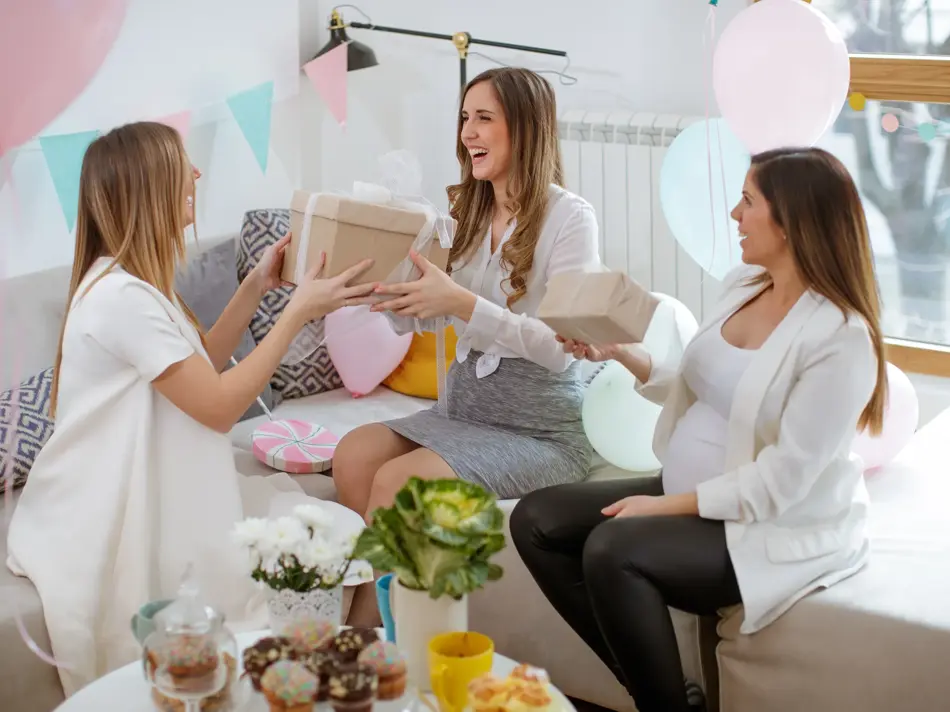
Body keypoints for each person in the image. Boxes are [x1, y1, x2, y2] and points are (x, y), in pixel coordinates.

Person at [5, 122, 379, 695]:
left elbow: (198, 361)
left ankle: (329, 685)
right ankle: (327, 687)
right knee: (315, 544)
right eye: (185, 165)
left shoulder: (132, 285)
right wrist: (298, 312)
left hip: (149, 485)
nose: (197, 175)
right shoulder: (121, 298)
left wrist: (256, 286)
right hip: (106, 507)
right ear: (151, 186)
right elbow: (220, 407)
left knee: (320, 535)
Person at [509, 147, 887, 712]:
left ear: (791, 222)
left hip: (762, 525)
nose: (735, 215)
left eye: (748, 201)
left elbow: (778, 484)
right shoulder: (745, 285)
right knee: (536, 518)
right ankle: (661, 691)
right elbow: (698, 384)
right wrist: (619, 353)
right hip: (690, 494)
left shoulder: (840, 339)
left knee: (612, 548)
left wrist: (661, 506)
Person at [331, 67, 601, 623]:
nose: (466, 134)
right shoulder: (467, 213)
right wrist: (393, 299)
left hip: (539, 427)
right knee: (355, 453)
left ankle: (368, 639)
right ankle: (393, 618)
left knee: (400, 482)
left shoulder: (570, 218)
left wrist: (459, 303)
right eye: (463, 119)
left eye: (483, 119)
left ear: (526, 129)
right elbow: (432, 321)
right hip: (462, 412)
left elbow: (560, 347)